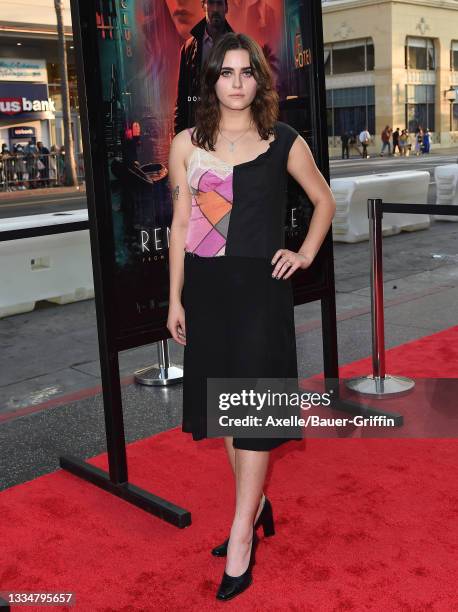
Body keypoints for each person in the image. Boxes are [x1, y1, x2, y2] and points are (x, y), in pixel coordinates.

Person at [167, 32, 336, 601]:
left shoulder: (283, 139)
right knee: (226, 414)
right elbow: (181, 227)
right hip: (209, 294)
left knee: (255, 415)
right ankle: (257, 503)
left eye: (246, 72)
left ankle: (241, 538)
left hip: (262, 295)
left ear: (258, 80)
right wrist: (175, 298)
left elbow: (324, 200)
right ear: (210, 79)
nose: (236, 83)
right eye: (226, 72)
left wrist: (305, 253)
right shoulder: (186, 144)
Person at [173, 0, 234, 135]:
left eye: (219, 4)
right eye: (211, 3)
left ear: (226, 8)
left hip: (230, 127)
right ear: (203, 6)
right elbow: (182, 99)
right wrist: (179, 136)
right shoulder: (188, 48)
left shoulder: (236, 46)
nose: (216, 9)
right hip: (199, 128)